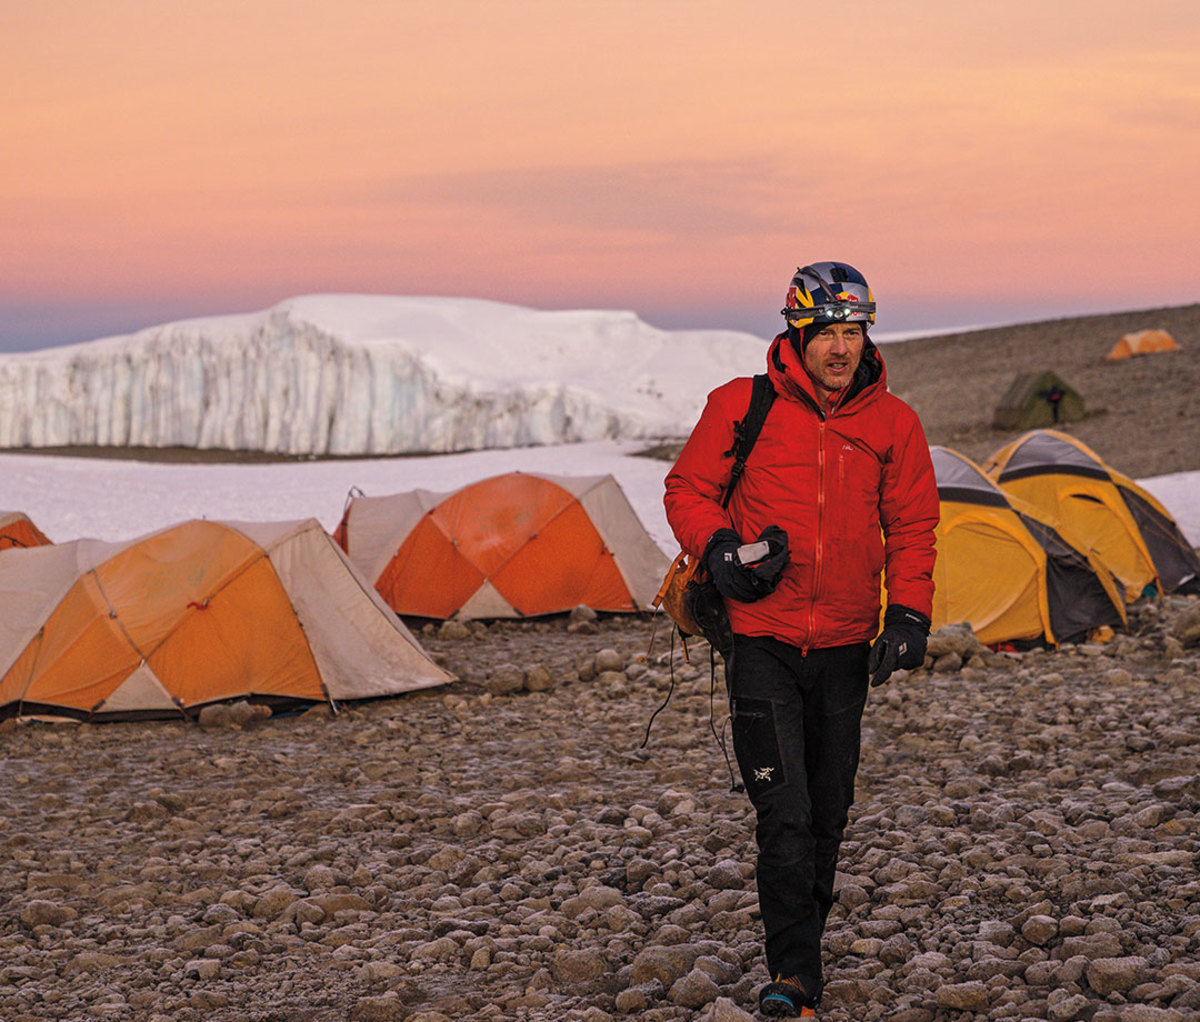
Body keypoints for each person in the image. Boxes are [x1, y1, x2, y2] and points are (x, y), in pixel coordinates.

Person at [663, 262, 938, 1018]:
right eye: (829, 334)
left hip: (847, 645)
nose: (842, 349)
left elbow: (913, 526)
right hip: (762, 639)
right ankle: (794, 973)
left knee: (827, 809)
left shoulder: (894, 424)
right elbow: (686, 489)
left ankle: (802, 945)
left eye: (854, 333)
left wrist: (908, 615)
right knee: (782, 810)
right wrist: (721, 549)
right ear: (798, 333)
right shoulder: (741, 405)